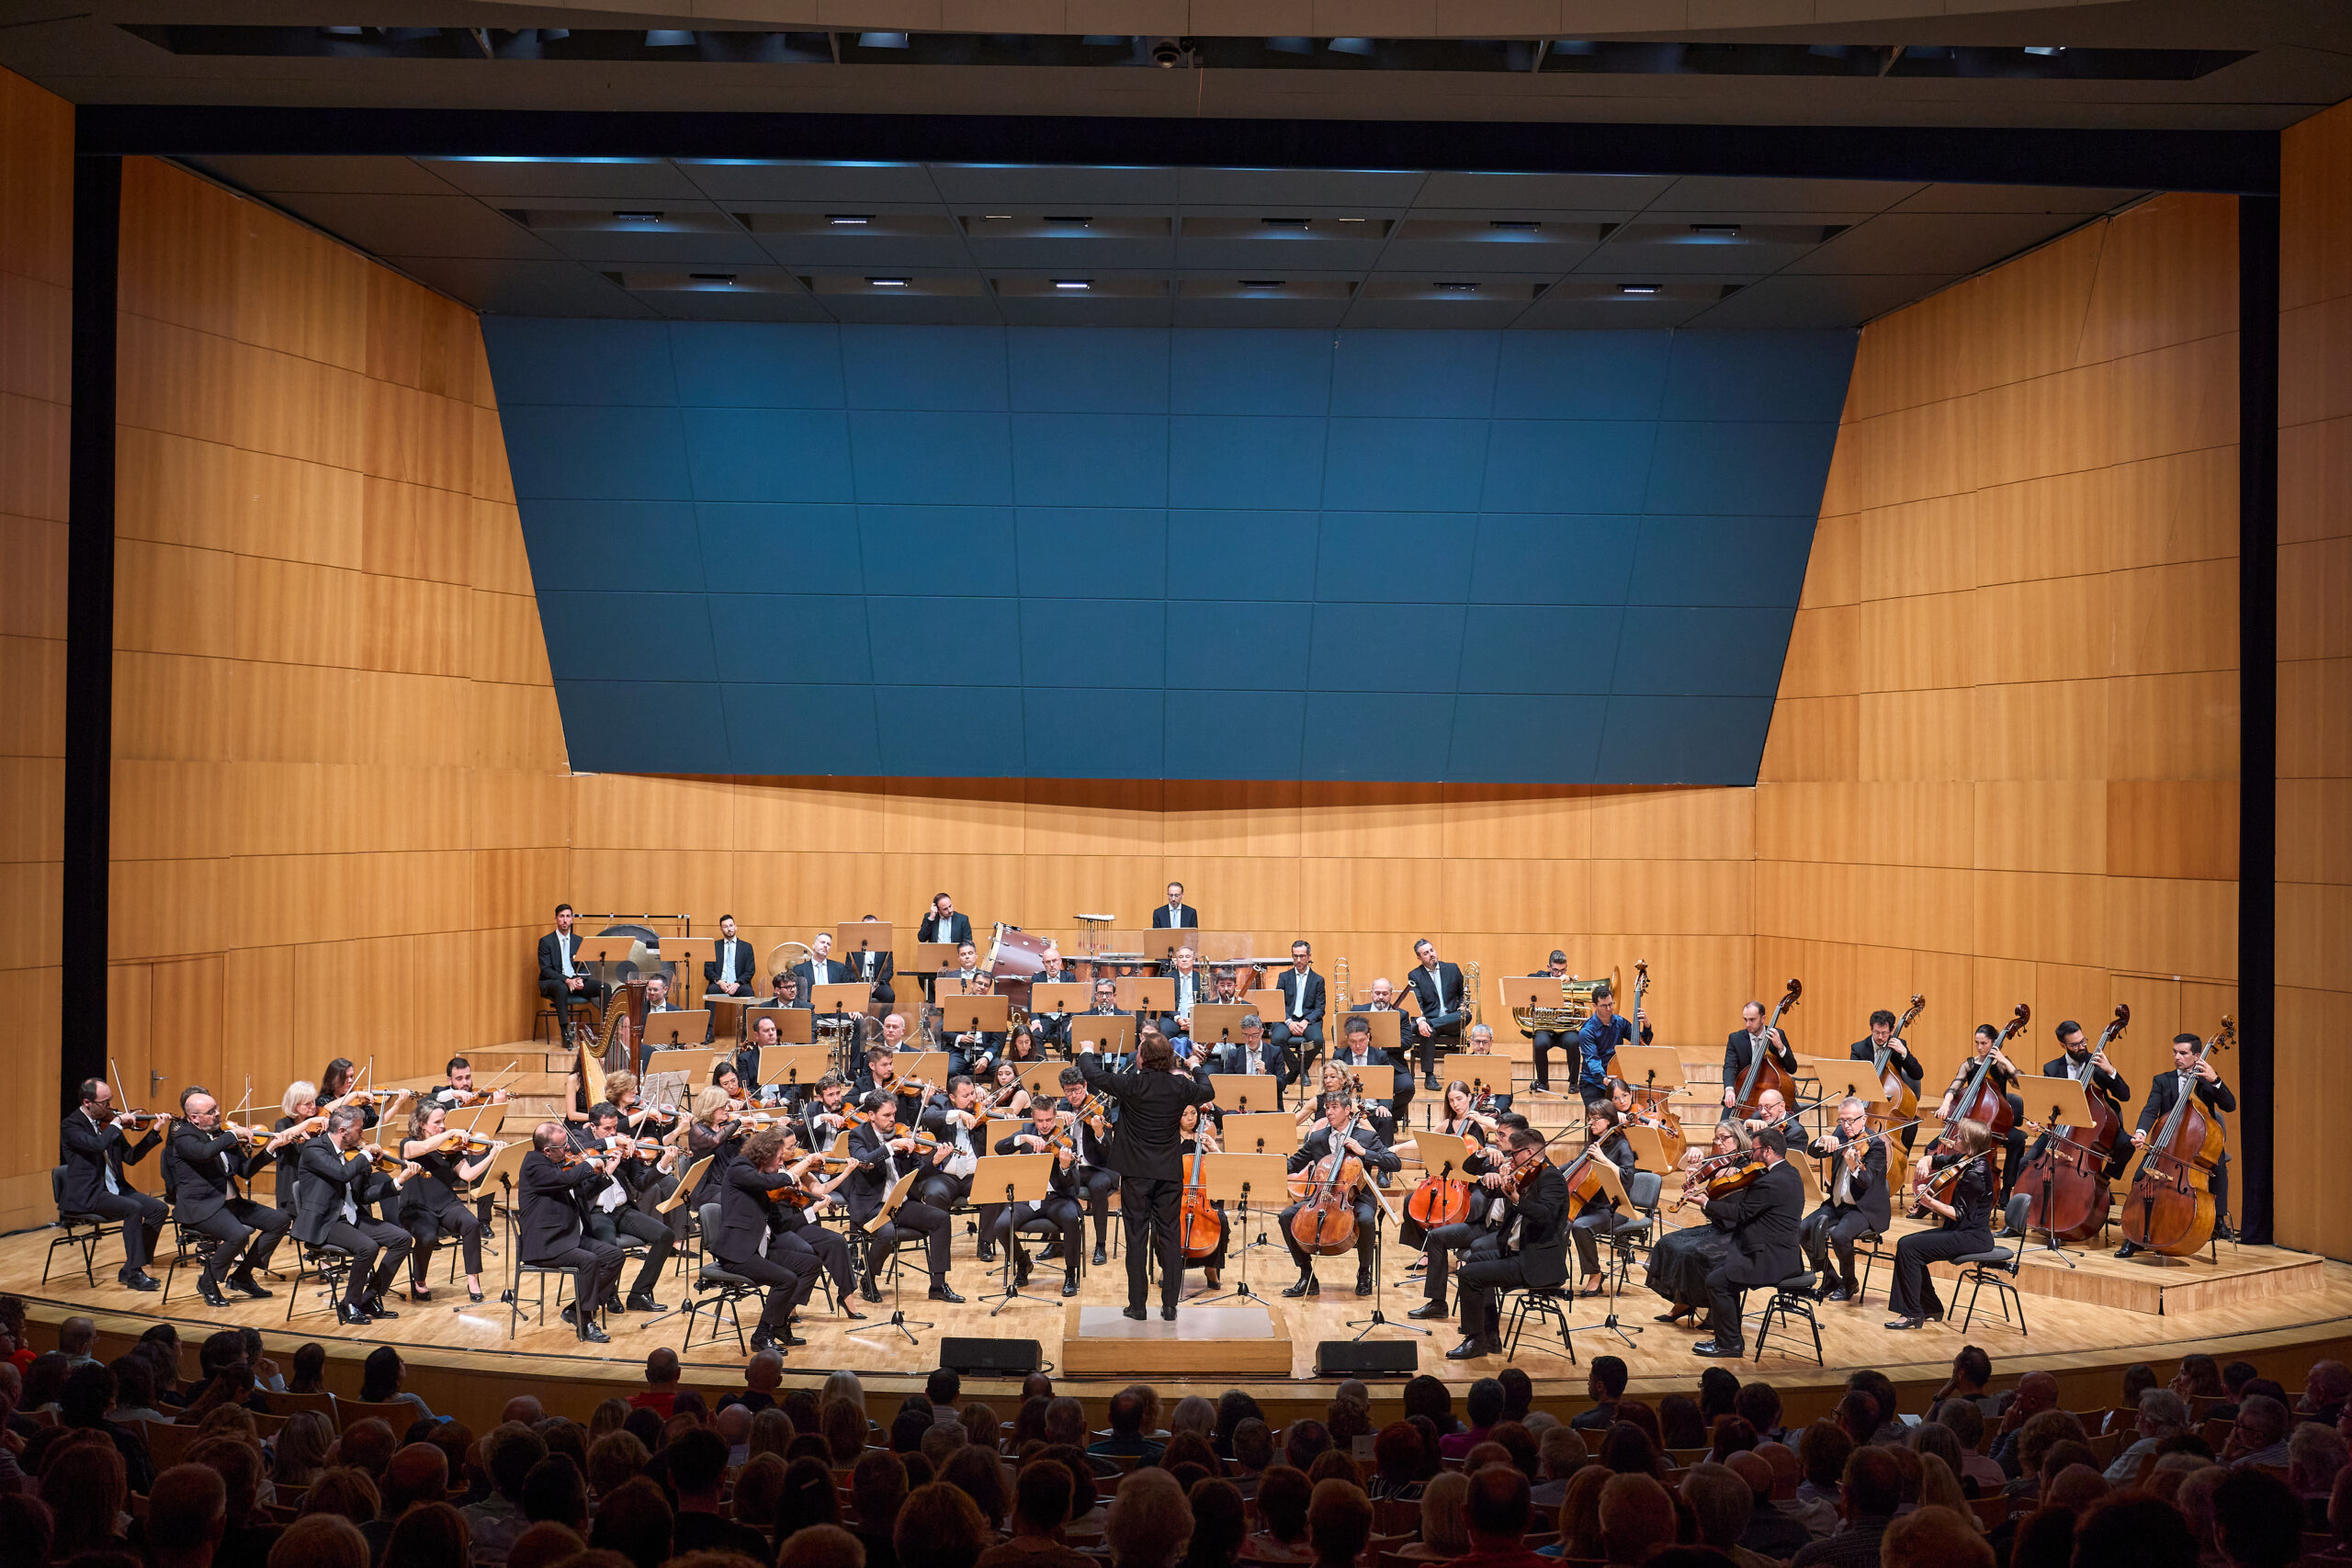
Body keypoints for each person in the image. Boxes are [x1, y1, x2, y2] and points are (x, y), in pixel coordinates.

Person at [1080, 1031, 1217, 1320]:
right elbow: (1207, 1090)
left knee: (1137, 1237)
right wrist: (1194, 1064)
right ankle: (1170, 1306)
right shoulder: (1180, 1086)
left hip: (1136, 1174)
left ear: (1143, 1058)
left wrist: (1088, 1048)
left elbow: (1092, 1074)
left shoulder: (1132, 1084)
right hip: (1168, 1172)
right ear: (1167, 1058)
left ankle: (1138, 1306)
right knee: (1170, 1236)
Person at [1445, 1127, 1571, 1360]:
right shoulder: (1528, 1175)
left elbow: (1545, 1215)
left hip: (1535, 1261)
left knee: (1469, 1275)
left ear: (1531, 1151)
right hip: (1516, 1252)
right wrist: (1495, 1180)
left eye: (1515, 1154)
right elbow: (1491, 1194)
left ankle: (1476, 1340)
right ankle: (1490, 1336)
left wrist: (1517, 1199)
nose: (1511, 1158)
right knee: (1474, 1259)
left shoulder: (1551, 1178)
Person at [170, 1087, 299, 1304]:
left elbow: (245, 1171)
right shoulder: (184, 1135)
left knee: (280, 1221)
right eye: (211, 1111)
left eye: (216, 1108)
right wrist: (231, 1134)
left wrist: (271, 1148)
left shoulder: (222, 1135)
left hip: (230, 1203)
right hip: (201, 1207)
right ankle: (208, 1281)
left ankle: (242, 1276)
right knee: (238, 1235)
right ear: (194, 1118)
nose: (218, 1113)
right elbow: (203, 1153)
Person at [291, 1105, 418, 1325]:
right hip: (325, 1222)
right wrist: (366, 1154)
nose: (363, 1135)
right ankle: (349, 1303)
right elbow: (342, 1174)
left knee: (402, 1239)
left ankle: (368, 1298)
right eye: (359, 1130)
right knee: (368, 1247)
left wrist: (400, 1181)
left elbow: (364, 1195)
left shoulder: (353, 1156)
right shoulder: (314, 1150)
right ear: (342, 1131)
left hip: (350, 1217)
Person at [2118, 1032, 2239, 1255]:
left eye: (2183, 1053)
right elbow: (2150, 1110)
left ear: (2196, 1056)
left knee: (2219, 1167)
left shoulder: (2207, 1080)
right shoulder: (2163, 1080)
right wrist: (2141, 1132)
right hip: (2165, 1145)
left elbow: (2230, 1105)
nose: (2177, 1057)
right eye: (2175, 1052)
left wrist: (2216, 1080)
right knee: (2140, 1177)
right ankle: (2134, 1235)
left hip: (2197, 1147)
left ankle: (2218, 1220)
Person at [1694, 1126, 1804, 1359]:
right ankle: (1729, 1340)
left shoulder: (1770, 1182)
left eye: (1754, 1151)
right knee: (1721, 1274)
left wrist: (1706, 1203)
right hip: (1780, 1251)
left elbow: (1742, 1212)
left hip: (1772, 1257)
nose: (1750, 1156)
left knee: (1717, 1281)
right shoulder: (1790, 1172)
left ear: (1767, 1151)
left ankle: (1730, 1345)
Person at [1280, 1091, 1402, 1301]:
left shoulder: (1366, 1137)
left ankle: (1364, 1272)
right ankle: (1307, 1276)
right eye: (1327, 1108)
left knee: (1365, 1220)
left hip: (1357, 1197)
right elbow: (1294, 1163)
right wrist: (1272, 1165)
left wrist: (1364, 1153)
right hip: (1323, 1195)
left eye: (1334, 1107)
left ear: (1347, 1110)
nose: (1329, 1112)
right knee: (1286, 1216)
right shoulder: (1317, 1138)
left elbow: (1394, 1162)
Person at [515, 1121, 627, 1343]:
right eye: (563, 1146)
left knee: (615, 1256)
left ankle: (575, 1309)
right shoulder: (534, 1166)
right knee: (589, 1261)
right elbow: (564, 1180)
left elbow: (582, 1191)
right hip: (546, 1244)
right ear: (547, 1151)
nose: (569, 1150)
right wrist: (588, 1165)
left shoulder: (558, 1162)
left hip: (568, 1237)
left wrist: (606, 1173)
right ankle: (585, 1323)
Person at [844, 1091, 960, 1303]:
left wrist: (936, 1161)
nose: (892, 1120)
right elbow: (865, 1162)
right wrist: (890, 1147)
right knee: (887, 1233)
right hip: (872, 1206)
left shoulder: (901, 1133)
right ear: (871, 1115)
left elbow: (918, 1174)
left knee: (941, 1219)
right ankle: (868, 1279)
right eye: (886, 1115)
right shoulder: (858, 1136)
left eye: (894, 1114)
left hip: (901, 1204)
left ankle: (937, 1285)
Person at [1887, 1119, 1996, 1330]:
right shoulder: (1966, 1159)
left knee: (1909, 1248)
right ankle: (1930, 1307)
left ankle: (1912, 1313)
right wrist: (1925, 1160)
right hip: (1961, 1231)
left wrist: (1930, 1203)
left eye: (1960, 1137)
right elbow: (1940, 1160)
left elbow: (1960, 1215)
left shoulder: (1976, 1174)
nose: (1955, 1138)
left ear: (1971, 1143)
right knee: (1909, 1247)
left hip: (1973, 1237)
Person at [59, 1077, 167, 1291]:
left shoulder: (109, 1124)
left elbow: (131, 1157)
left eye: (110, 1101)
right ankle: (135, 1274)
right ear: (87, 1102)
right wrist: (116, 1126)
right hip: (89, 1193)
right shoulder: (71, 1125)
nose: (110, 1107)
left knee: (158, 1209)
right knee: (133, 1209)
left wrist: (154, 1133)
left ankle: (129, 1268)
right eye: (104, 1102)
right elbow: (97, 1144)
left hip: (116, 1189)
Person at [1647, 1121, 1747, 1327]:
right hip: (1718, 1225)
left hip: (1736, 1230)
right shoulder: (1720, 1163)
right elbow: (1685, 1164)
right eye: (1716, 1139)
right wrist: (1691, 1167)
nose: (1719, 1143)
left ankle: (1711, 1308)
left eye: (1724, 1138)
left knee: (1692, 1252)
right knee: (1668, 1242)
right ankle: (1682, 1301)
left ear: (1738, 1138)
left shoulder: (1747, 1166)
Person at [990, 1097, 1091, 1297]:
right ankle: (1022, 1262)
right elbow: (999, 1148)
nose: (1044, 1126)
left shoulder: (1067, 1140)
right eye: (1040, 1121)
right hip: (1028, 1199)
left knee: (1072, 1220)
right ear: (1033, 1119)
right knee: (1001, 1225)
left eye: (1049, 1120)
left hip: (1057, 1199)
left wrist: (1064, 1168)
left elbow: (1074, 1185)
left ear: (1055, 1117)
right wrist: (1023, 1139)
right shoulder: (1027, 1131)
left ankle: (1070, 1273)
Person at [1801, 1099, 1890, 1303]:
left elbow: (1866, 1183)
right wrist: (1821, 1140)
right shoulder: (1840, 1135)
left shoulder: (1876, 1145)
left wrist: (1854, 1166)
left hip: (1864, 1209)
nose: (1846, 1126)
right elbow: (1814, 1152)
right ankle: (1830, 1277)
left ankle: (1849, 1283)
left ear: (1863, 1118)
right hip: (1837, 1203)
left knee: (1840, 1235)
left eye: (1850, 1120)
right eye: (1842, 1121)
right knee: (1804, 1229)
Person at [1567, 1102, 1639, 1294]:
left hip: (1614, 1208)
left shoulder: (1621, 1145)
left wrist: (1603, 1159)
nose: (1592, 1122)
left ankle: (1595, 1274)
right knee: (1558, 1220)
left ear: (1609, 1120)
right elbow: (1575, 1164)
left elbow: (1627, 1177)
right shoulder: (1595, 1142)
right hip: (1590, 1204)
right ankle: (1551, 1275)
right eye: (1590, 1118)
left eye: (1596, 1118)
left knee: (1580, 1226)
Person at [537, 903, 605, 1044]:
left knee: (605, 987)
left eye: (568, 916)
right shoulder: (546, 942)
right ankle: (565, 1033)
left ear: (572, 919)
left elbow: (584, 966)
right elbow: (546, 970)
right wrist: (567, 980)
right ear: (556, 919)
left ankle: (607, 1030)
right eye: (562, 916)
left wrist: (579, 979)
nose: (565, 920)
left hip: (574, 981)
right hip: (553, 982)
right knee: (562, 987)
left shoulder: (579, 941)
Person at [1722, 1000, 1797, 1112]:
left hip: (1772, 1092)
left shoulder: (1777, 1035)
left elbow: (1792, 1068)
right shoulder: (1735, 1038)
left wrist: (1780, 1047)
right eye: (1745, 1019)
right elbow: (1729, 1066)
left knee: (1792, 1116)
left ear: (1763, 1019)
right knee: (1724, 1126)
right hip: (1744, 1094)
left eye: (1752, 1020)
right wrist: (1729, 1090)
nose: (1748, 1024)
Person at [1576, 983, 1643, 1106]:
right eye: (1604, 1006)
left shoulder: (1620, 1022)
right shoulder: (1587, 1031)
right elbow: (1592, 1060)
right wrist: (1604, 1079)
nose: (1608, 1009)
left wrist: (1647, 1025)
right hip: (1593, 1082)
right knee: (1603, 1116)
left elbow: (1641, 1042)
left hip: (1616, 1079)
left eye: (1611, 1004)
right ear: (1594, 1005)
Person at [1272, 941, 1327, 1075]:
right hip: (1287, 1020)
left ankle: (1298, 1070)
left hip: (1308, 1020)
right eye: (1295, 956)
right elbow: (1278, 1003)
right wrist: (1289, 1022)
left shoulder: (1318, 980)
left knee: (1318, 1040)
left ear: (1309, 956)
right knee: (1276, 1040)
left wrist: (1305, 1022)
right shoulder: (1284, 977)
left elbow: (1320, 1008)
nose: (1298, 960)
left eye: (1302, 956)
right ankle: (1300, 1071)